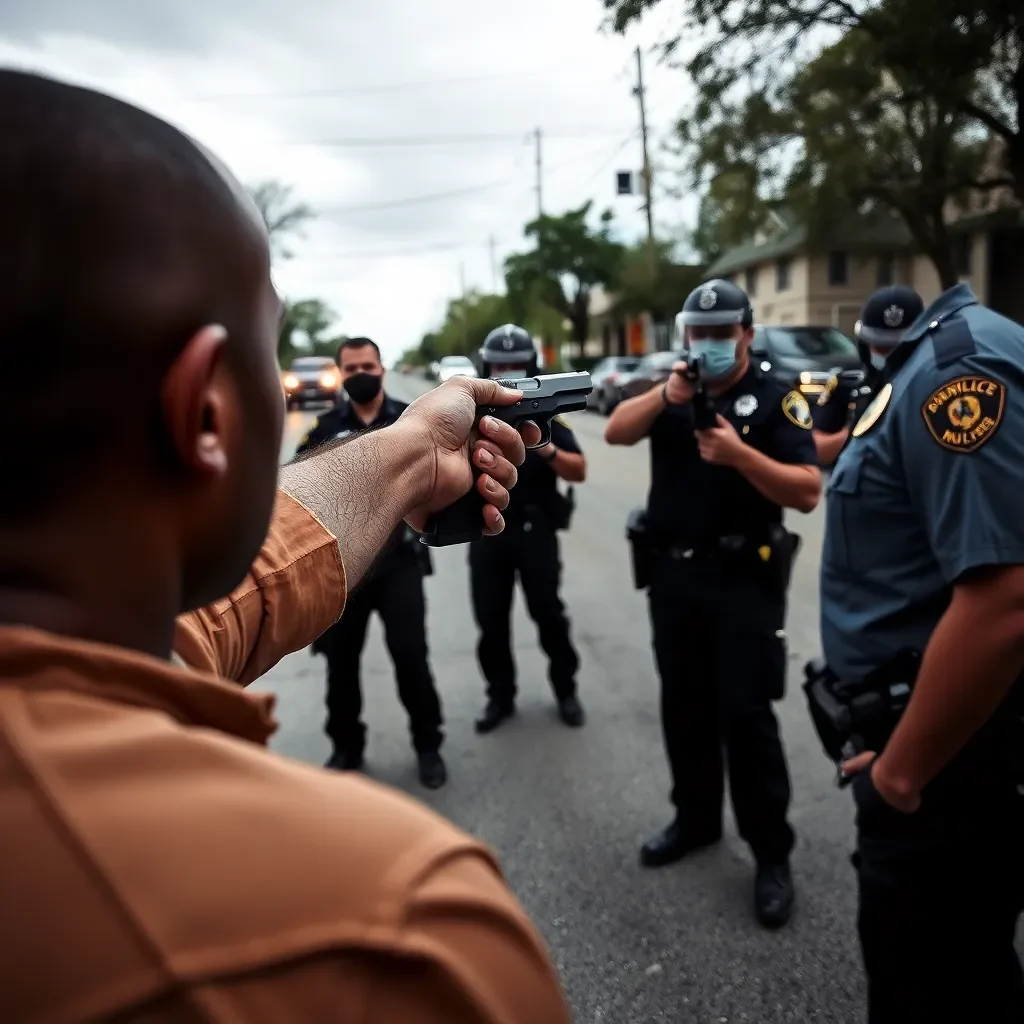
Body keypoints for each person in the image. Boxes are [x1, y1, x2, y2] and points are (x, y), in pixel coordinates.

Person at [0, 69, 572, 1023]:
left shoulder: (77, 629)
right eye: (271, 352)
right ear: (208, 409)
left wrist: (410, 455)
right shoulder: (389, 931)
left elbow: (239, 593)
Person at [818, 281, 1024, 1023]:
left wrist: (900, 776)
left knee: (931, 983)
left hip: (948, 758)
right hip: (945, 740)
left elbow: (1005, 599)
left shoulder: (952, 372)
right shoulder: (923, 365)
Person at [605, 279, 821, 929]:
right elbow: (615, 431)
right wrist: (664, 396)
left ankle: (771, 854)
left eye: (722, 333)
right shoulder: (674, 393)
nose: (709, 345)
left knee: (746, 716)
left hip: (743, 580)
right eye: (699, 334)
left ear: (747, 335)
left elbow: (807, 491)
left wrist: (739, 454)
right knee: (685, 706)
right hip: (675, 578)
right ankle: (695, 820)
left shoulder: (778, 397)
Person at [294, 336, 447, 788]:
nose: (360, 374)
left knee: (411, 659)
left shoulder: (410, 422)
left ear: (382, 367)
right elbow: (297, 493)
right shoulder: (323, 428)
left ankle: (428, 746)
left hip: (399, 564)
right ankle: (346, 748)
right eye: (351, 368)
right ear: (341, 374)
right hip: (344, 572)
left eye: (368, 366)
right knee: (340, 666)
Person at [470, 324, 588, 734]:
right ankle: (499, 697)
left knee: (549, 614)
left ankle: (566, 690)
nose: (506, 372)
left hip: (536, 530)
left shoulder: (548, 417)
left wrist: (544, 443)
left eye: (515, 365)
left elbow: (579, 470)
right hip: (486, 532)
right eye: (499, 365)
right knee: (491, 622)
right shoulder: (472, 418)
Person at [812, 285, 924, 464]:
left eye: (898, 348)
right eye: (880, 346)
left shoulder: (935, 385)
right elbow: (815, 449)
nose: (889, 355)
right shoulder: (849, 383)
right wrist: (858, 431)